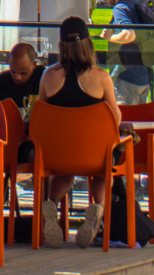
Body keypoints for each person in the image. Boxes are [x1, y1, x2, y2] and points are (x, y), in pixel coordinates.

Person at [38, 15, 121, 248]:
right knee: (103, 169)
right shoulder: (101, 78)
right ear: (87, 44)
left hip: (58, 154)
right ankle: (98, 208)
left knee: (65, 173)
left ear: (61, 45)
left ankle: (51, 205)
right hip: (93, 155)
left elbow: (40, 115)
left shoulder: (48, 76)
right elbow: (115, 117)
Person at [96, 0, 154, 104]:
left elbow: (128, 34)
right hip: (144, 78)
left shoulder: (120, 8)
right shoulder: (136, 4)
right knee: (139, 123)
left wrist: (110, 37)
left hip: (126, 80)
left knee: (124, 123)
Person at [0, 42, 43, 108]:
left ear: (34, 65)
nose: (18, 77)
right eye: (13, 72)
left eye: (23, 73)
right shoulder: (1, 80)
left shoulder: (44, 78)